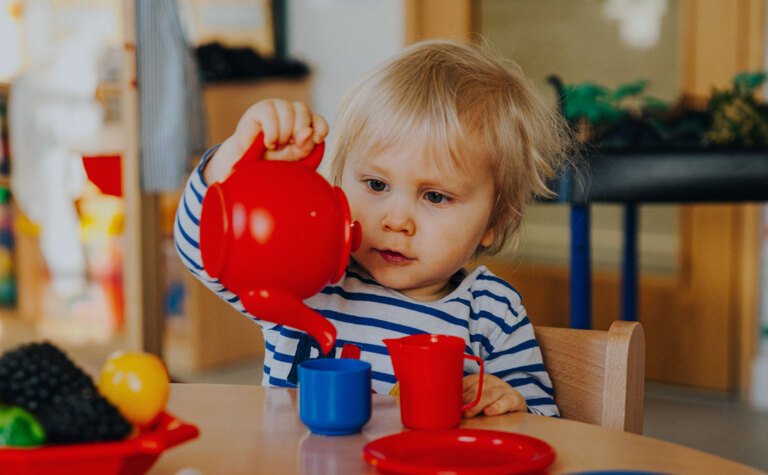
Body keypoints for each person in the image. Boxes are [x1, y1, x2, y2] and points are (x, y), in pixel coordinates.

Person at [174, 39, 573, 418]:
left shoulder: (491, 311)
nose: (396, 220)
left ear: (495, 222)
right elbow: (202, 251)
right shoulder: (311, 279)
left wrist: (508, 403)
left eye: (435, 197)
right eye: (377, 185)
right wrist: (233, 158)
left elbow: (542, 424)